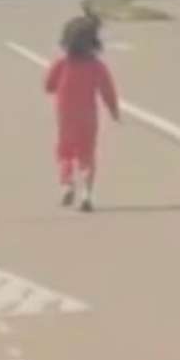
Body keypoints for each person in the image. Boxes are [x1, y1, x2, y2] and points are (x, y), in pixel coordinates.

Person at [44, 12, 120, 213]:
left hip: (66, 115)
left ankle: (67, 183)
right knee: (87, 154)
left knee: (66, 151)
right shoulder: (97, 66)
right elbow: (107, 90)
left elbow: (49, 85)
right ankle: (86, 192)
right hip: (88, 115)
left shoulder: (62, 64)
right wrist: (113, 110)